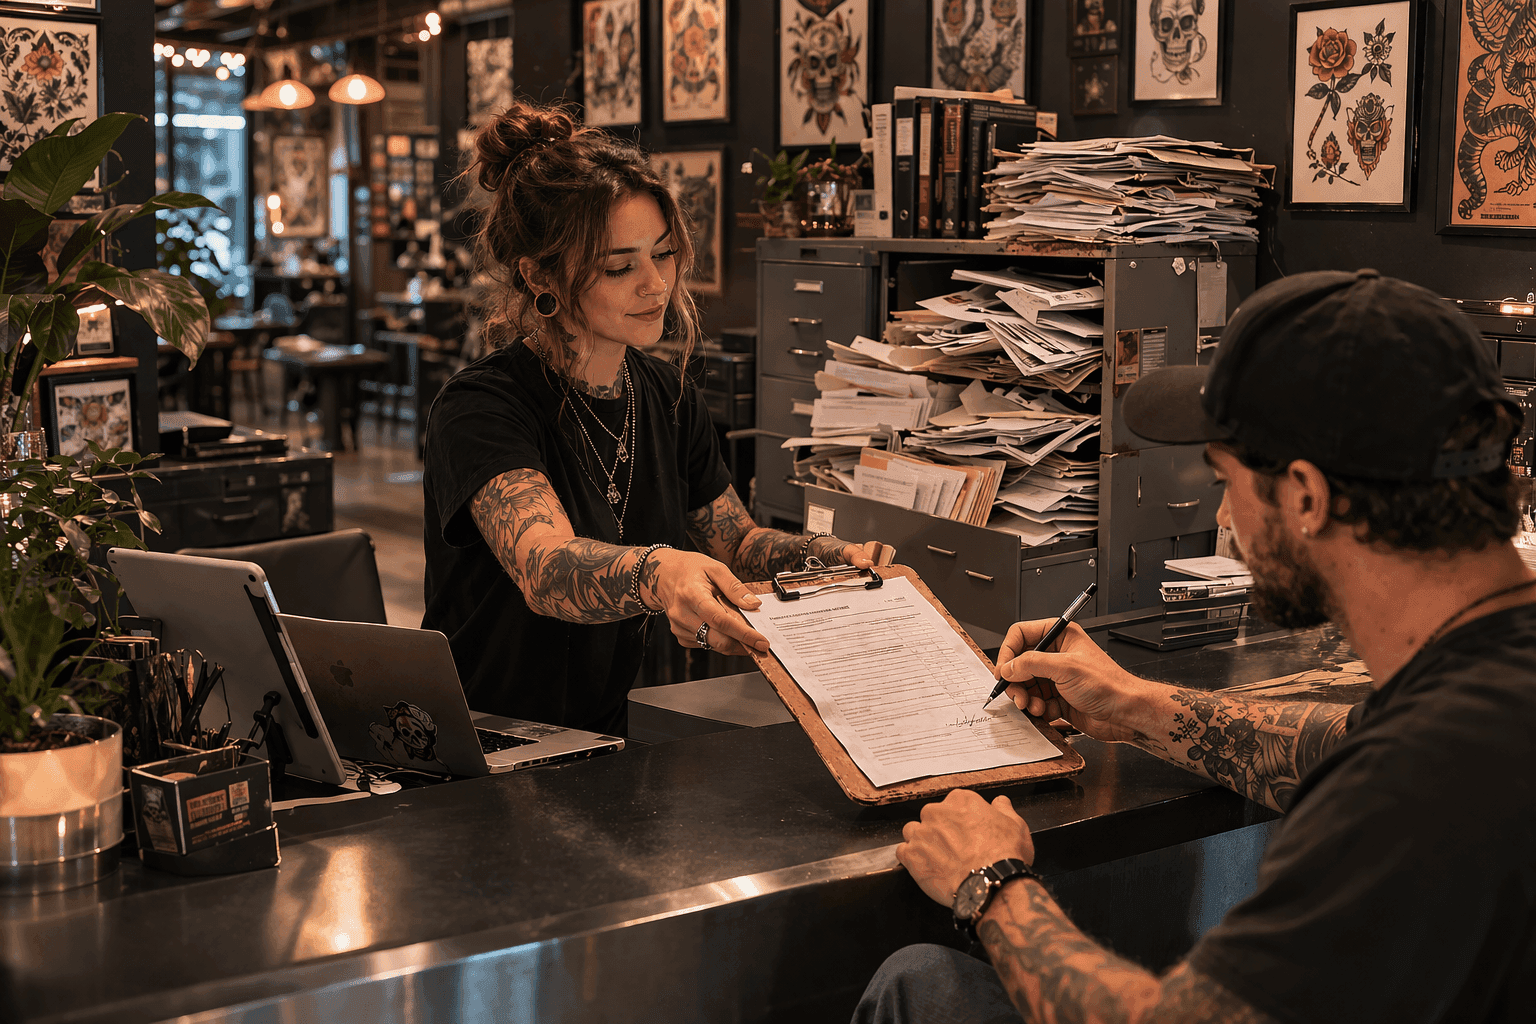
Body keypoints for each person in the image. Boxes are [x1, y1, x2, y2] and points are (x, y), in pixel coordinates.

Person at [856, 269, 1536, 1023]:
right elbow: (1338, 743)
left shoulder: (1412, 784)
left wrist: (990, 885)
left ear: (1306, 497)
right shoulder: (1485, 682)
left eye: (1225, 479)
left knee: (920, 984)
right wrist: (1132, 707)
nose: (1221, 510)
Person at [422, 102, 878, 736]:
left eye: (662, 255)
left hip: (602, 732)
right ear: (538, 275)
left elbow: (737, 545)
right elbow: (546, 570)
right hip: (481, 738)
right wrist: (659, 572)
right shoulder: (483, 407)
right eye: (619, 267)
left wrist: (826, 557)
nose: (656, 285)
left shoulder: (665, 394)